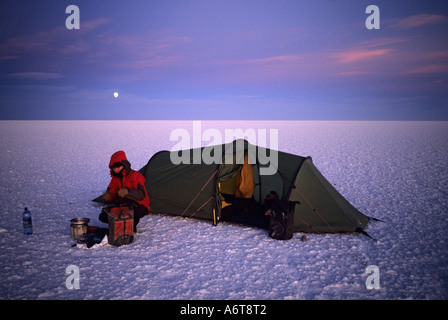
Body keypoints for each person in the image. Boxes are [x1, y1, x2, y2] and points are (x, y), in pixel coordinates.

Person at [99, 150, 150, 231]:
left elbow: (142, 194)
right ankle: (120, 223)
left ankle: (130, 223)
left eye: (118, 167)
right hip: (123, 204)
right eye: (114, 168)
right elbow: (111, 192)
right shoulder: (115, 179)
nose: (116, 170)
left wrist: (128, 192)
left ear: (124, 165)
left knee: (132, 218)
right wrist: (108, 196)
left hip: (139, 204)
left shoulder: (136, 176)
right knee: (103, 217)